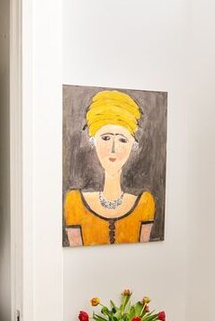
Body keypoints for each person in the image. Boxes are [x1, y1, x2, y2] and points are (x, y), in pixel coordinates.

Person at [64, 89, 155, 246]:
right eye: (106, 138)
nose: (113, 149)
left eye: (122, 140)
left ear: (133, 146)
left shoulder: (145, 204)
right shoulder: (74, 203)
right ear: (93, 141)